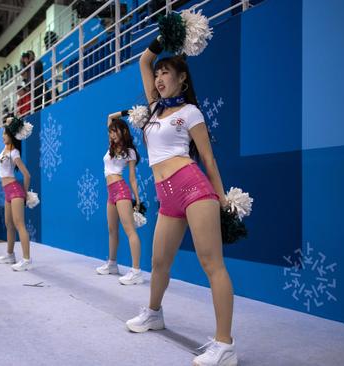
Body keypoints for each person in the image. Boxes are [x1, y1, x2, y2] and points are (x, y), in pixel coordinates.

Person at [124, 37, 237, 366]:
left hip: (193, 187)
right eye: (158, 74)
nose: (158, 77)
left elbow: (208, 159)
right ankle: (154, 313)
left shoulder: (190, 112)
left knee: (212, 265)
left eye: (166, 72)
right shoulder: (154, 107)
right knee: (159, 262)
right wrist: (164, 37)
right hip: (166, 197)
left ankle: (225, 343)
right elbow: (144, 61)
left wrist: (222, 198)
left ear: (182, 78)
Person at [95, 116, 144, 285]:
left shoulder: (129, 151)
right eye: (110, 132)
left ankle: (136, 271)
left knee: (130, 231)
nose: (111, 134)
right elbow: (109, 116)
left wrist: (136, 199)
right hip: (110, 191)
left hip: (121, 190)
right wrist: (123, 113)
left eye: (114, 131)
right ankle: (112, 264)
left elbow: (132, 178)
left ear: (123, 131)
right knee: (112, 230)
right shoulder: (111, 146)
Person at [0, 125, 32, 271]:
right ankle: (10, 255)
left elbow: (27, 175)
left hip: (15, 190)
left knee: (19, 225)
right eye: (3, 133)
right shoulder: (5, 150)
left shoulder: (14, 153)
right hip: (7, 191)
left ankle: (27, 259)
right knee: (8, 224)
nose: (2, 135)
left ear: (12, 135)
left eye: (5, 133)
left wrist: (26, 194)